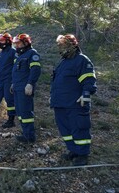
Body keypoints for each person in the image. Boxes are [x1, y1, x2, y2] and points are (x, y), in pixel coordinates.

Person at [50, 34, 97, 166]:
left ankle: (82, 154)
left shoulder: (81, 60)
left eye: (63, 45)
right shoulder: (63, 62)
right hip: (60, 103)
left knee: (79, 127)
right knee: (65, 129)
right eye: (59, 45)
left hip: (75, 103)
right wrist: (52, 97)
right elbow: (56, 83)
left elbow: (89, 79)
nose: (60, 48)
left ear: (72, 45)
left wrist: (86, 94)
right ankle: (73, 150)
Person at [12, 33, 41, 143]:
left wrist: (30, 84)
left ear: (25, 43)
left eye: (18, 43)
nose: (16, 46)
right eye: (15, 44)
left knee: (26, 113)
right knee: (20, 112)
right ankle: (25, 134)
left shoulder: (32, 54)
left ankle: (30, 136)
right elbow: (17, 73)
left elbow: (35, 70)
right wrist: (13, 84)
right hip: (17, 88)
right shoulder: (19, 56)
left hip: (25, 89)